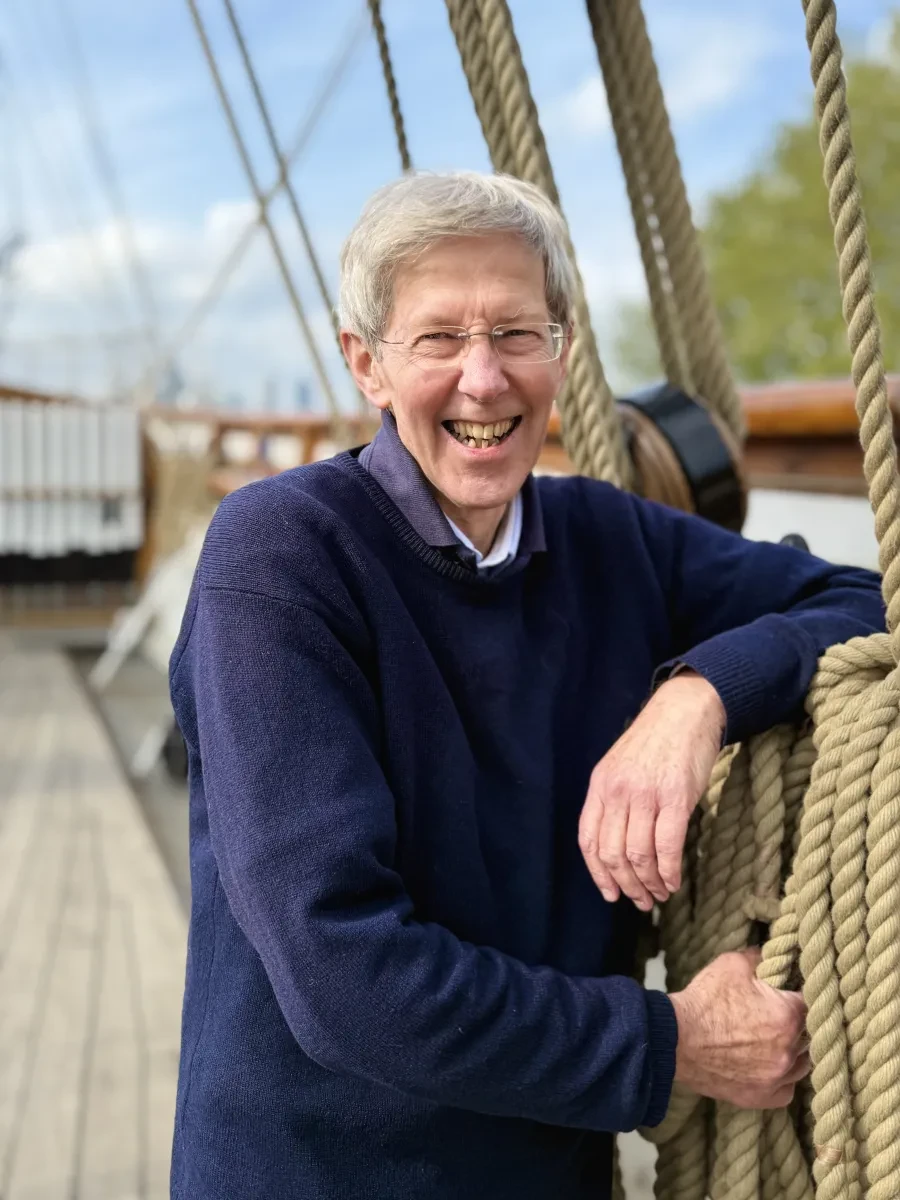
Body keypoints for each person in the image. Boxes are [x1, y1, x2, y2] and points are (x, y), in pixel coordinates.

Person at [168, 171, 885, 1200]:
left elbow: (864, 597)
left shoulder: (612, 540)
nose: (483, 380)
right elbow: (346, 979)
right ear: (365, 364)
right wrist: (669, 1045)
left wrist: (698, 694)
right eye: (438, 340)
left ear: (563, 350)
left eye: (515, 334)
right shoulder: (282, 555)